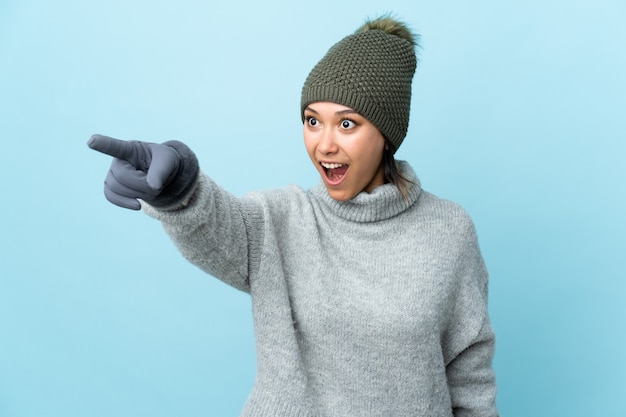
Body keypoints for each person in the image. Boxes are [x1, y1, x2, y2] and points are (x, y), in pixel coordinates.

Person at [88, 15, 499, 417]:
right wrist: (178, 180)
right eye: (312, 121)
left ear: (386, 134)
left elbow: (469, 377)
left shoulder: (448, 230)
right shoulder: (283, 219)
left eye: (347, 124)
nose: (324, 144)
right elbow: (217, 223)